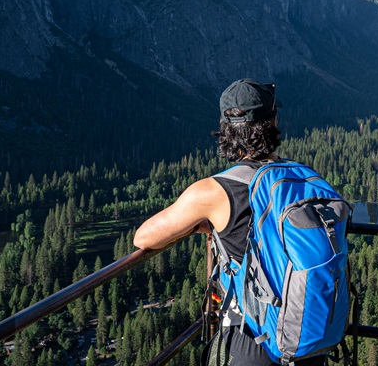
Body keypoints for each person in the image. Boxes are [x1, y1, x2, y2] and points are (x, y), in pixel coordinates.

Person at [133, 79, 327, 366]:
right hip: (308, 339)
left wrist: (204, 220)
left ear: (224, 128)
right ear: (274, 122)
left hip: (256, 342)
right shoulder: (304, 180)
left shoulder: (214, 192)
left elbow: (143, 238)